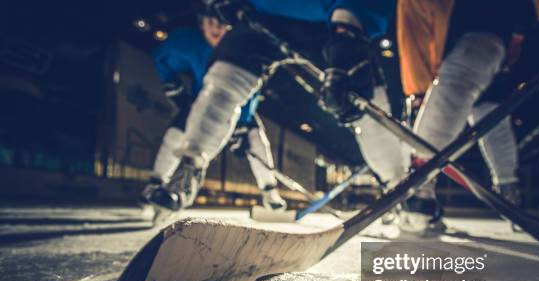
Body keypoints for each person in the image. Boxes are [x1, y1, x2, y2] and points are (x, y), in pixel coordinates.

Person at [149, 0, 396, 212]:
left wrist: (350, 28)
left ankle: (398, 183)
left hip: (333, 20)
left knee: (357, 93)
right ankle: (188, 169)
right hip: (262, 17)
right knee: (226, 76)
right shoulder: (191, 42)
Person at [393, 0, 539, 234]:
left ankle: (421, 193)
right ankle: (507, 191)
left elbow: (414, 31)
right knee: (488, 110)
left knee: (475, 97)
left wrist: (419, 89)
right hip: (484, 37)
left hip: (483, 31)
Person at [141, 8, 286, 213]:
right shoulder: (189, 43)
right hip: (200, 103)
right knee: (177, 134)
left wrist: (242, 124)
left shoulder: (244, 47)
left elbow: (252, 93)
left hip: (240, 107)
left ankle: (270, 193)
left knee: (257, 140)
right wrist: (170, 83)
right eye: (212, 22)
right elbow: (162, 56)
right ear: (202, 24)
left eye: (222, 24)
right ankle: (157, 184)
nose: (217, 28)